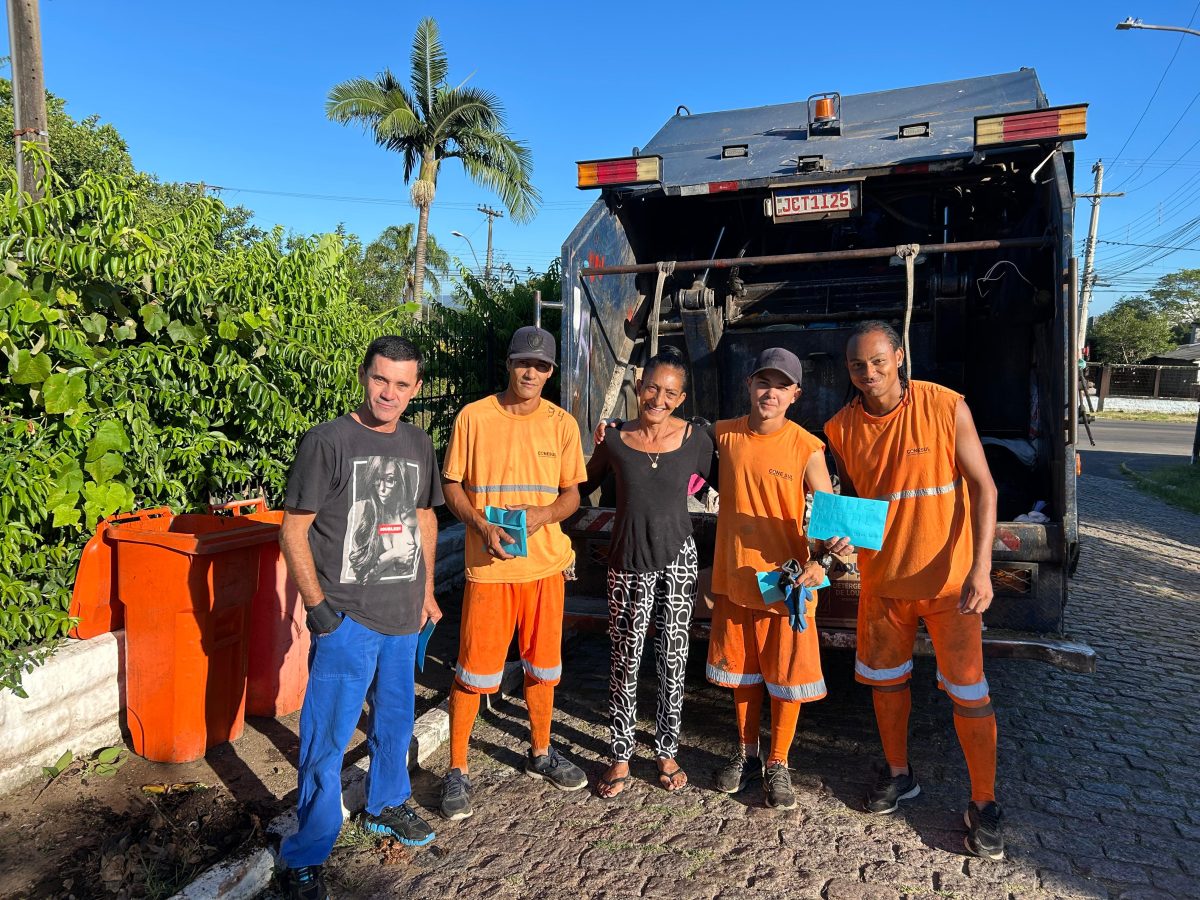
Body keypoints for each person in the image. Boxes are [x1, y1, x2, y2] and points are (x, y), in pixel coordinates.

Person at [824, 320, 1003, 861]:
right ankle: (900, 775)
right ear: (849, 370)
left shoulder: (946, 405)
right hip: (884, 587)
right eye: (858, 365)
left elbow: (984, 487)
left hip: (951, 585)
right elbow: (858, 506)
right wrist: (838, 544)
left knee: (969, 692)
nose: (869, 372)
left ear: (899, 357)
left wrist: (981, 569)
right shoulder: (839, 428)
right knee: (885, 684)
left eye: (878, 361)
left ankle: (985, 802)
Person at [277, 336, 443, 900]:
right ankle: (306, 853)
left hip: (402, 617)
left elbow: (423, 514)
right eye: (380, 379)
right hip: (346, 620)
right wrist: (319, 609)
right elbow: (292, 530)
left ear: (416, 389)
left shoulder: (420, 444)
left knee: (395, 723)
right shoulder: (327, 441)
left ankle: (386, 804)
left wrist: (424, 591)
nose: (389, 392)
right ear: (363, 376)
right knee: (326, 739)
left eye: (401, 384)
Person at [439, 325, 589, 821]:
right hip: (489, 570)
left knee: (543, 666)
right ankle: (457, 767)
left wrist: (542, 515)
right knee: (472, 671)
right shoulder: (473, 417)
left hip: (544, 568)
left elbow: (572, 496)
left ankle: (541, 752)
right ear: (509, 363)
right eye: (524, 363)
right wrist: (479, 523)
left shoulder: (563, 424)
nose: (532, 372)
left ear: (551, 371)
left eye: (542, 366)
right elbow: (452, 484)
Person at [705, 348, 849, 810]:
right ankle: (747, 755)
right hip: (736, 578)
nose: (769, 392)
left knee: (786, 677)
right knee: (745, 676)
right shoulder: (722, 435)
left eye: (780, 385)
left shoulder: (807, 447)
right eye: (762, 382)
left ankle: (779, 762)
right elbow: (669, 447)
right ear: (748, 385)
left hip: (786, 586)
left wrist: (824, 563)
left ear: (795, 395)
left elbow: (828, 519)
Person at [583, 346, 716, 797]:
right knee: (625, 659)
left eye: (671, 393)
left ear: (681, 399)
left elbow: (735, 483)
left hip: (679, 559)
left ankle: (665, 748)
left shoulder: (697, 440)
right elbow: (581, 484)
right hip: (626, 561)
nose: (659, 399)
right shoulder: (615, 440)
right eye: (653, 388)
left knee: (673, 658)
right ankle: (620, 753)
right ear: (639, 386)